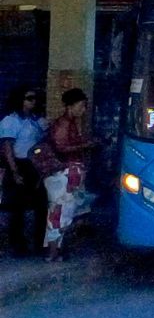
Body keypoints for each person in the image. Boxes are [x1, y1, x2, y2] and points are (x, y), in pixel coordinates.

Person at [42, 89, 95, 260]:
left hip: (68, 173)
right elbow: (61, 147)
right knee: (59, 213)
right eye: (81, 105)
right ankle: (53, 253)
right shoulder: (64, 124)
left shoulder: (70, 123)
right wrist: (86, 145)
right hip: (62, 173)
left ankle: (57, 250)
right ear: (71, 106)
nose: (83, 109)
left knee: (63, 213)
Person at [0, 88, 49, 257]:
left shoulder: (35, 120)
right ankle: (18, 245)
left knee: (42, 205)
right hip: (19, 164)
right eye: (29, 98)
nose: (33, 101)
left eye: (34, 98)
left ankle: (39, 242)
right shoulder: (11, 121)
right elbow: (7, 148)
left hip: (35, 165)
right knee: (18, 207)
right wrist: (14, 171)